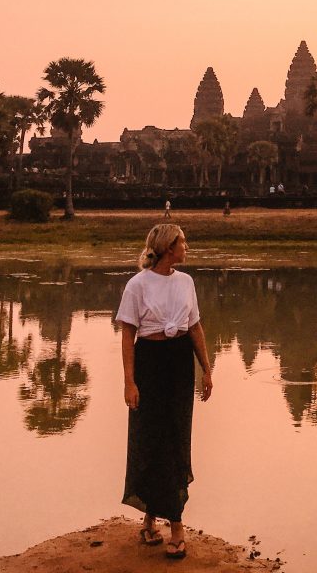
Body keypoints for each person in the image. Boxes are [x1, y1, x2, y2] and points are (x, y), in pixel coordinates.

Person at [116, 223, 213, 561]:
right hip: (149, 364)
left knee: (175, 438)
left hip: (178, 364)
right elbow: (128, 335)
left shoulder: (186, 283)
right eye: (183, 241)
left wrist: (207, 370)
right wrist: (130, 382)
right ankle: (152, 517)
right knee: (147, 439)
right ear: (170, 247)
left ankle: (173, 524)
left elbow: (195, 327)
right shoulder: (137, 285)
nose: (187, 246)